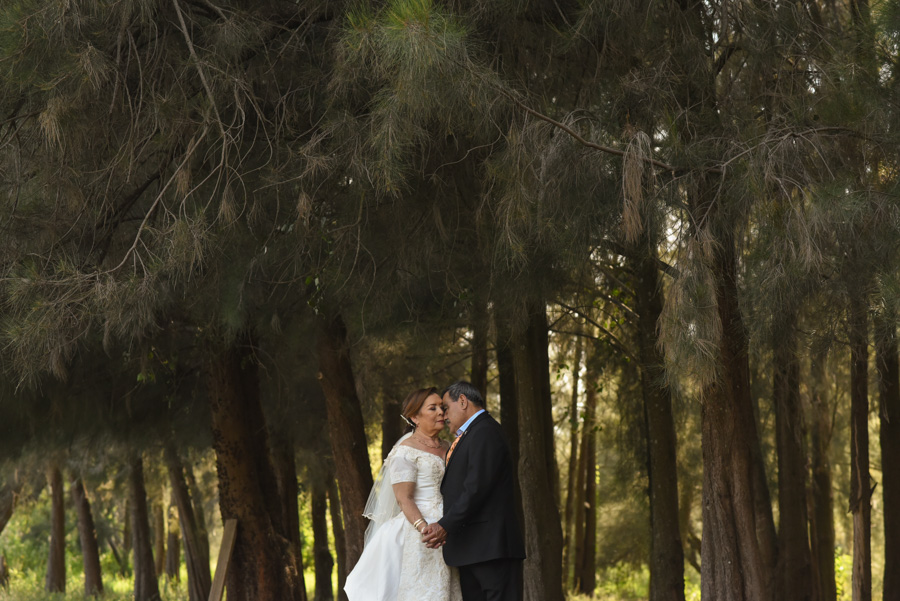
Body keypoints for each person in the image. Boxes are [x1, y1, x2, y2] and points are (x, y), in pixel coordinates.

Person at [344, 387, 462, 601]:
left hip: (450, 528)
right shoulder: (405, 451)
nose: (441, 413)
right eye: (433, 408)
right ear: (415, 417)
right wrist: (424, 529)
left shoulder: (449, 447)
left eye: (442, 407)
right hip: (419, 532)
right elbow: (403, 498)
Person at [422, 381, 525, 601]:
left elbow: (476, 488)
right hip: (473, 549)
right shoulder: (472, 434)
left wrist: (445, 525)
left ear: (462, 401)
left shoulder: (486, 431)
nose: (443, 415)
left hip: (493, 549)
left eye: (446, 408)